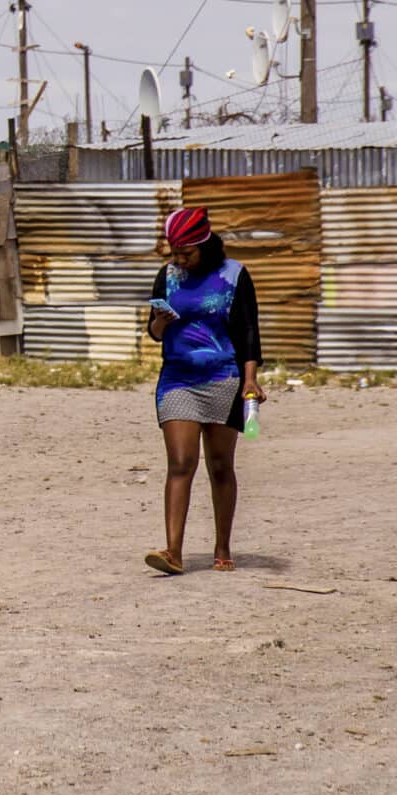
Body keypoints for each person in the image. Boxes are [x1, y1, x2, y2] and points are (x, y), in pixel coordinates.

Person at [141, 205, 263, 575]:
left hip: (224, 378)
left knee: (221, 466)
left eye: (186, 253)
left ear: (205, 246)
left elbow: (247, 331)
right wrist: (159, 323)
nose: (179, 259)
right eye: (175, 253)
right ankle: (173, 552)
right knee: (180, 463)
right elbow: (153, 332)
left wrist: (251, 378)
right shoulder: (169, 276)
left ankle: (222, 546)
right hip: (177, 379)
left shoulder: (234, 275)